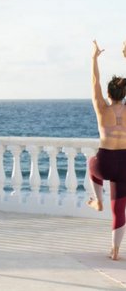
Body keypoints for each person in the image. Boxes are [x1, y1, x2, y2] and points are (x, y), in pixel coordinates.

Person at [86, 40, 126, 260]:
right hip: (125, 164)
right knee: (119, 209)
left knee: (91, 163)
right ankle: (115, 251)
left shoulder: (102, 108)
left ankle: (97, 200)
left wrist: (94, 58)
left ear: (109, 94)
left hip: (104, 163)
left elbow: (95, 82)